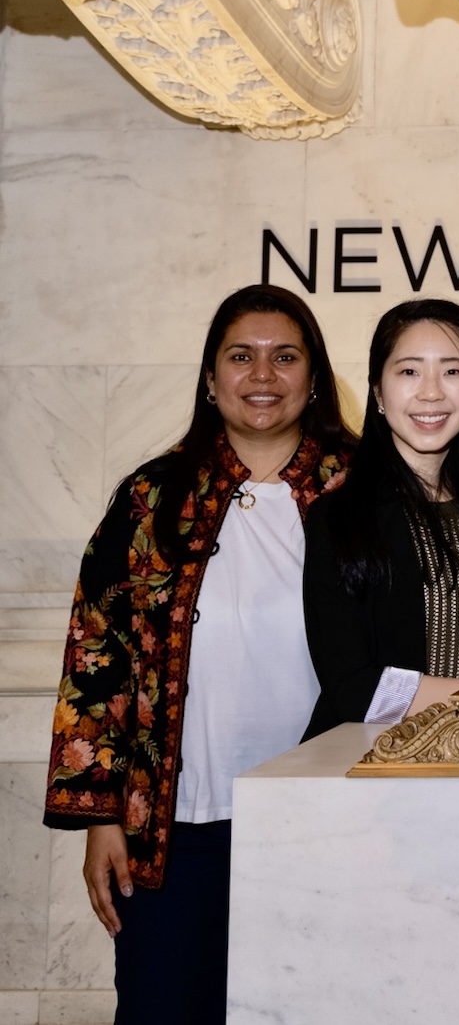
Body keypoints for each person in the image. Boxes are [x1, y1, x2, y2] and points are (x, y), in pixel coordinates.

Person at [43, 284, 354, 1024]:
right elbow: (96, 657)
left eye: (285, 357)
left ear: (314, 380)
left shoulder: (362, 493)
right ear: (210, 380)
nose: (262, 375)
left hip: (332, 826)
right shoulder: (150, 498)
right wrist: (101, 817)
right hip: (173, 831)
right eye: (240, 356)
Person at [302, 299, 459, 737]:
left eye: (452, 371)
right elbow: (352, 687)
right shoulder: (338, 519)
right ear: (378, 393)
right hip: (363, 770)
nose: (431, 392)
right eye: (409, 371)